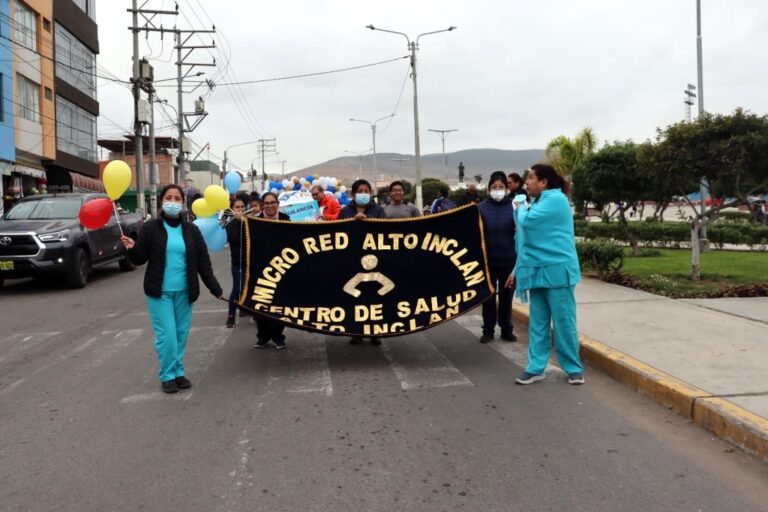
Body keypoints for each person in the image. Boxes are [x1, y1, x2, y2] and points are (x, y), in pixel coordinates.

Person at [120, 184, 223, 394]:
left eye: (177, 198)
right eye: (169, 197)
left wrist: (215, 288)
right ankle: (167, 375)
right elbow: (140, 258)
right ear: (161, 202)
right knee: (167, 336)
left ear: (183, 203)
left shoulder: (192, 230)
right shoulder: (150, 228)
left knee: (180, 334)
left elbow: (203, 262)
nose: (173, 202)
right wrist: (132, 248)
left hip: (185, 292)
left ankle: (178, 372)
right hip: (160, 292)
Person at [505, 164, 584, 386]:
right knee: (538, 323)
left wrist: (519, 204)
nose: (526, 182)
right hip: (536, 271)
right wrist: (517, 269)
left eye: (531, 178)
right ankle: (535, 368)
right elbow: (526, 241)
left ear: (544, 182)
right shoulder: (538, 202)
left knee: (563, 321)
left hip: (558, 271)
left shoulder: (555, 200)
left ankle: (573, 368)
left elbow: (527, 221)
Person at [339, 179, 386, 346]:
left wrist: (368, 220)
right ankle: (356, 332)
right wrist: (353, 221)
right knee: (355, 298)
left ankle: (375, 332)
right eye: (361, 190)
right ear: (353, 194)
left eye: (367, 191)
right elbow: (338, 233)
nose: (364, 193)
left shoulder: (378, 210)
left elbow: (385, 230)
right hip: (352, 261)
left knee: (374, 298)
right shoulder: (345, 211)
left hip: (374, 261)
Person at [477, 171, 517, 343]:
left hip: (509, 260)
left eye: (501, 187)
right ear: (489, 189)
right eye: (494, 187)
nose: (498, 190)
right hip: (488, 261)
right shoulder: (480, 208)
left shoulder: (515, 207)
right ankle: (488, 330)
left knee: (507, 297)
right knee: (488, 297)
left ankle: (506, 329)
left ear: (507, 189)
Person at [254, 192, 291, 349]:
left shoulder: (285, 219)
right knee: (260, 304)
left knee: (279, 303)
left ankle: (278, 336)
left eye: (272, 202)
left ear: (278, 203)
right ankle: (263, 336)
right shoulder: (254, 221)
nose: (270, 205)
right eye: (266, 203)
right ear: (263, 205)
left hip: (281, 268)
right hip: (260, 268)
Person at [224, 194, 249, 328]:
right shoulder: (230, 223)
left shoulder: (250, 220)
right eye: (237, 207)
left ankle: (246, 310)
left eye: (242, 207)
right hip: (237, 262)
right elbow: (235, 239)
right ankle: (231, 316)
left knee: (249, 288)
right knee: (237, 288)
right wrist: (240, 222)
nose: (240, 209)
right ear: (232, 209)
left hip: (251, 261)